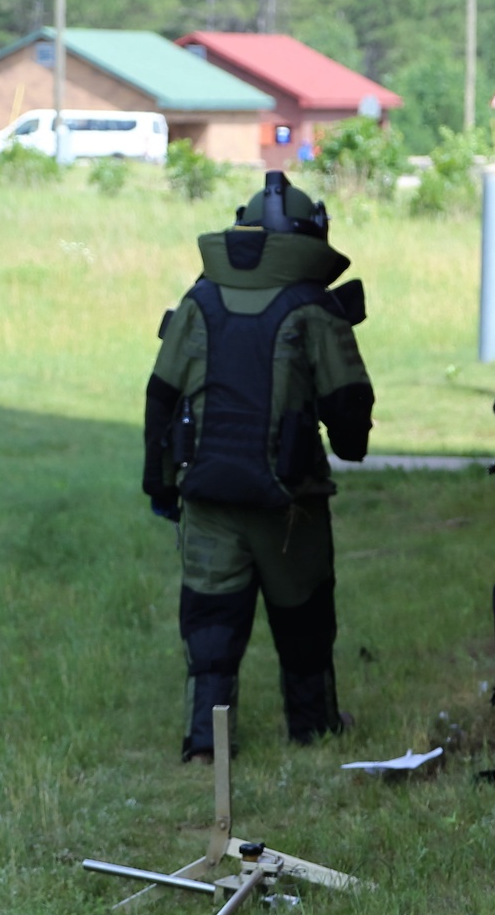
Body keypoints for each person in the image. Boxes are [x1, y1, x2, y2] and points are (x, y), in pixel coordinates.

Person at [142, 171, 375, 762]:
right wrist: (349, 438)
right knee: (304, 620)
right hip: (290, 505)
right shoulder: (313, 308)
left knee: (211, 623)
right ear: (309, 238)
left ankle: (207, 745)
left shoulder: (199, 299)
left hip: (208, 498)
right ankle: (313, 727)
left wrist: (160, 483)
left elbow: (160, 394)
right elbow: (349, 415)